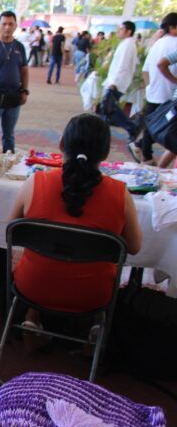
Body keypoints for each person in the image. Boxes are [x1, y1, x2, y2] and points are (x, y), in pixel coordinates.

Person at [9, 114, 141, 327]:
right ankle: (96, 328)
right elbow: (134, 247)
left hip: (33, 285)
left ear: (61, 144)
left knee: (36, 256)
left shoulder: (37, 182)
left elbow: (11, 232)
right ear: (106, 153)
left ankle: (32, 317)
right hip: (93, 294)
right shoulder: (120, 194)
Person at [130, 13, 177, 165]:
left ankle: (143, 152)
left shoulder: (158, 43)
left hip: (155, 90)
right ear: (172, 27)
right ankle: (145, 155)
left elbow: (146, 69)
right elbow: (161, 64)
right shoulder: (174, 43)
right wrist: (174, 80)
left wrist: (150, 87)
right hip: (167, 92)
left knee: (156, 126)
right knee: (162, 128)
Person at [0, 11, 29, 153]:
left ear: (15, 26)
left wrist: (25, 91)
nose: (7, 27)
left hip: (14, 96)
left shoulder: (19, 47)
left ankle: (9, 161)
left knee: (9, 134)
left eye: (10, 24)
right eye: (4, 24)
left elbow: (24, 71)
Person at [99, 21, 140, 143]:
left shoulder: (128, 45)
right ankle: (102, 133)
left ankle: (131, 127)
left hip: (117, 83)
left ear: (129, 31)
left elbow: (123, 65)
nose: (119, 31)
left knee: (111, 109)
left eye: (121, 29)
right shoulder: (126, 44)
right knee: (108, 109)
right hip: (115, 81)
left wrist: (114, 83)